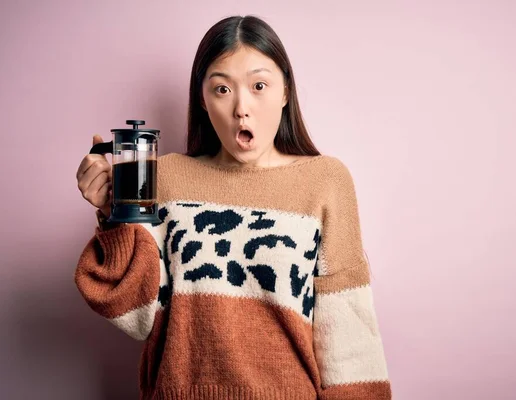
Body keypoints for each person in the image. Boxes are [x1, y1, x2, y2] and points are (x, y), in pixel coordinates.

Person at [75, 15, 391, 400]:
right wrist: (116, 212)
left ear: (286, 91)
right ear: (203, 100)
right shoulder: (168, 177)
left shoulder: (326, 181)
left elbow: (350, 338)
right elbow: (137, 316)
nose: (242, 107)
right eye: (222, 89)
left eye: (259, 85)